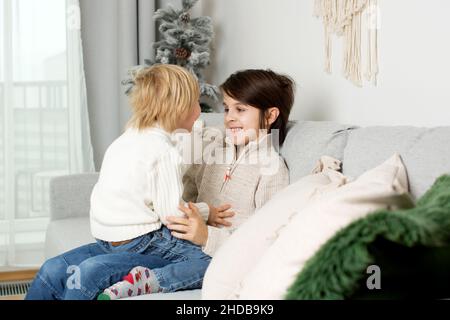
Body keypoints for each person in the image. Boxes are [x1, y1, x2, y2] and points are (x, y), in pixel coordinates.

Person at [25, 64, 225, 300]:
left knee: (53, 268)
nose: (199, 111)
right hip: (141, 240)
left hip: (107, 236)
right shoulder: (163, 151)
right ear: (179, 107)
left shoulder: (127, 138)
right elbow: (173, 217)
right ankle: (153, 280)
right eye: (196, 103)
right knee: (213, 260)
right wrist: (205, 212)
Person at [99, 69, 295, 299]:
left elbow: (266, 239)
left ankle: (151, 281)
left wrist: (207, 237)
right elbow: (183, 194)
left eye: (240, 109)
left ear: (270, 115)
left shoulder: (272, 169)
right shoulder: (214, 152)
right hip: (182, 240)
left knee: (213, 266)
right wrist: (192, 217)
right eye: (227, 108)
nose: (229, 117)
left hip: (223, 251)